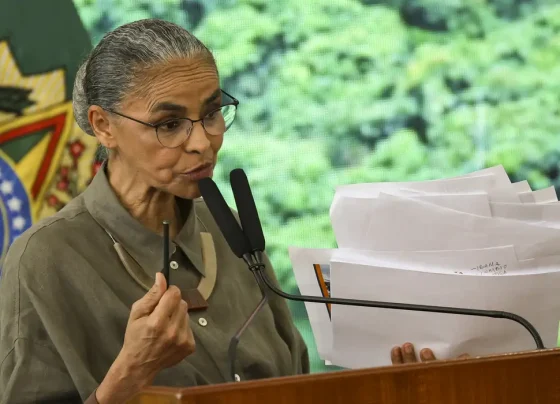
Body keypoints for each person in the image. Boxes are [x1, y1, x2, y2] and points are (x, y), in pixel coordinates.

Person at [0, 18, 442, 404]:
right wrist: (130, 374)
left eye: (212, 114)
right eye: (169, 124)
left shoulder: (234, 236)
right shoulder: (43, 260)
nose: (202, 142)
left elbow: (295, 384)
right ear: (103, 126)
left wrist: (387, 384)